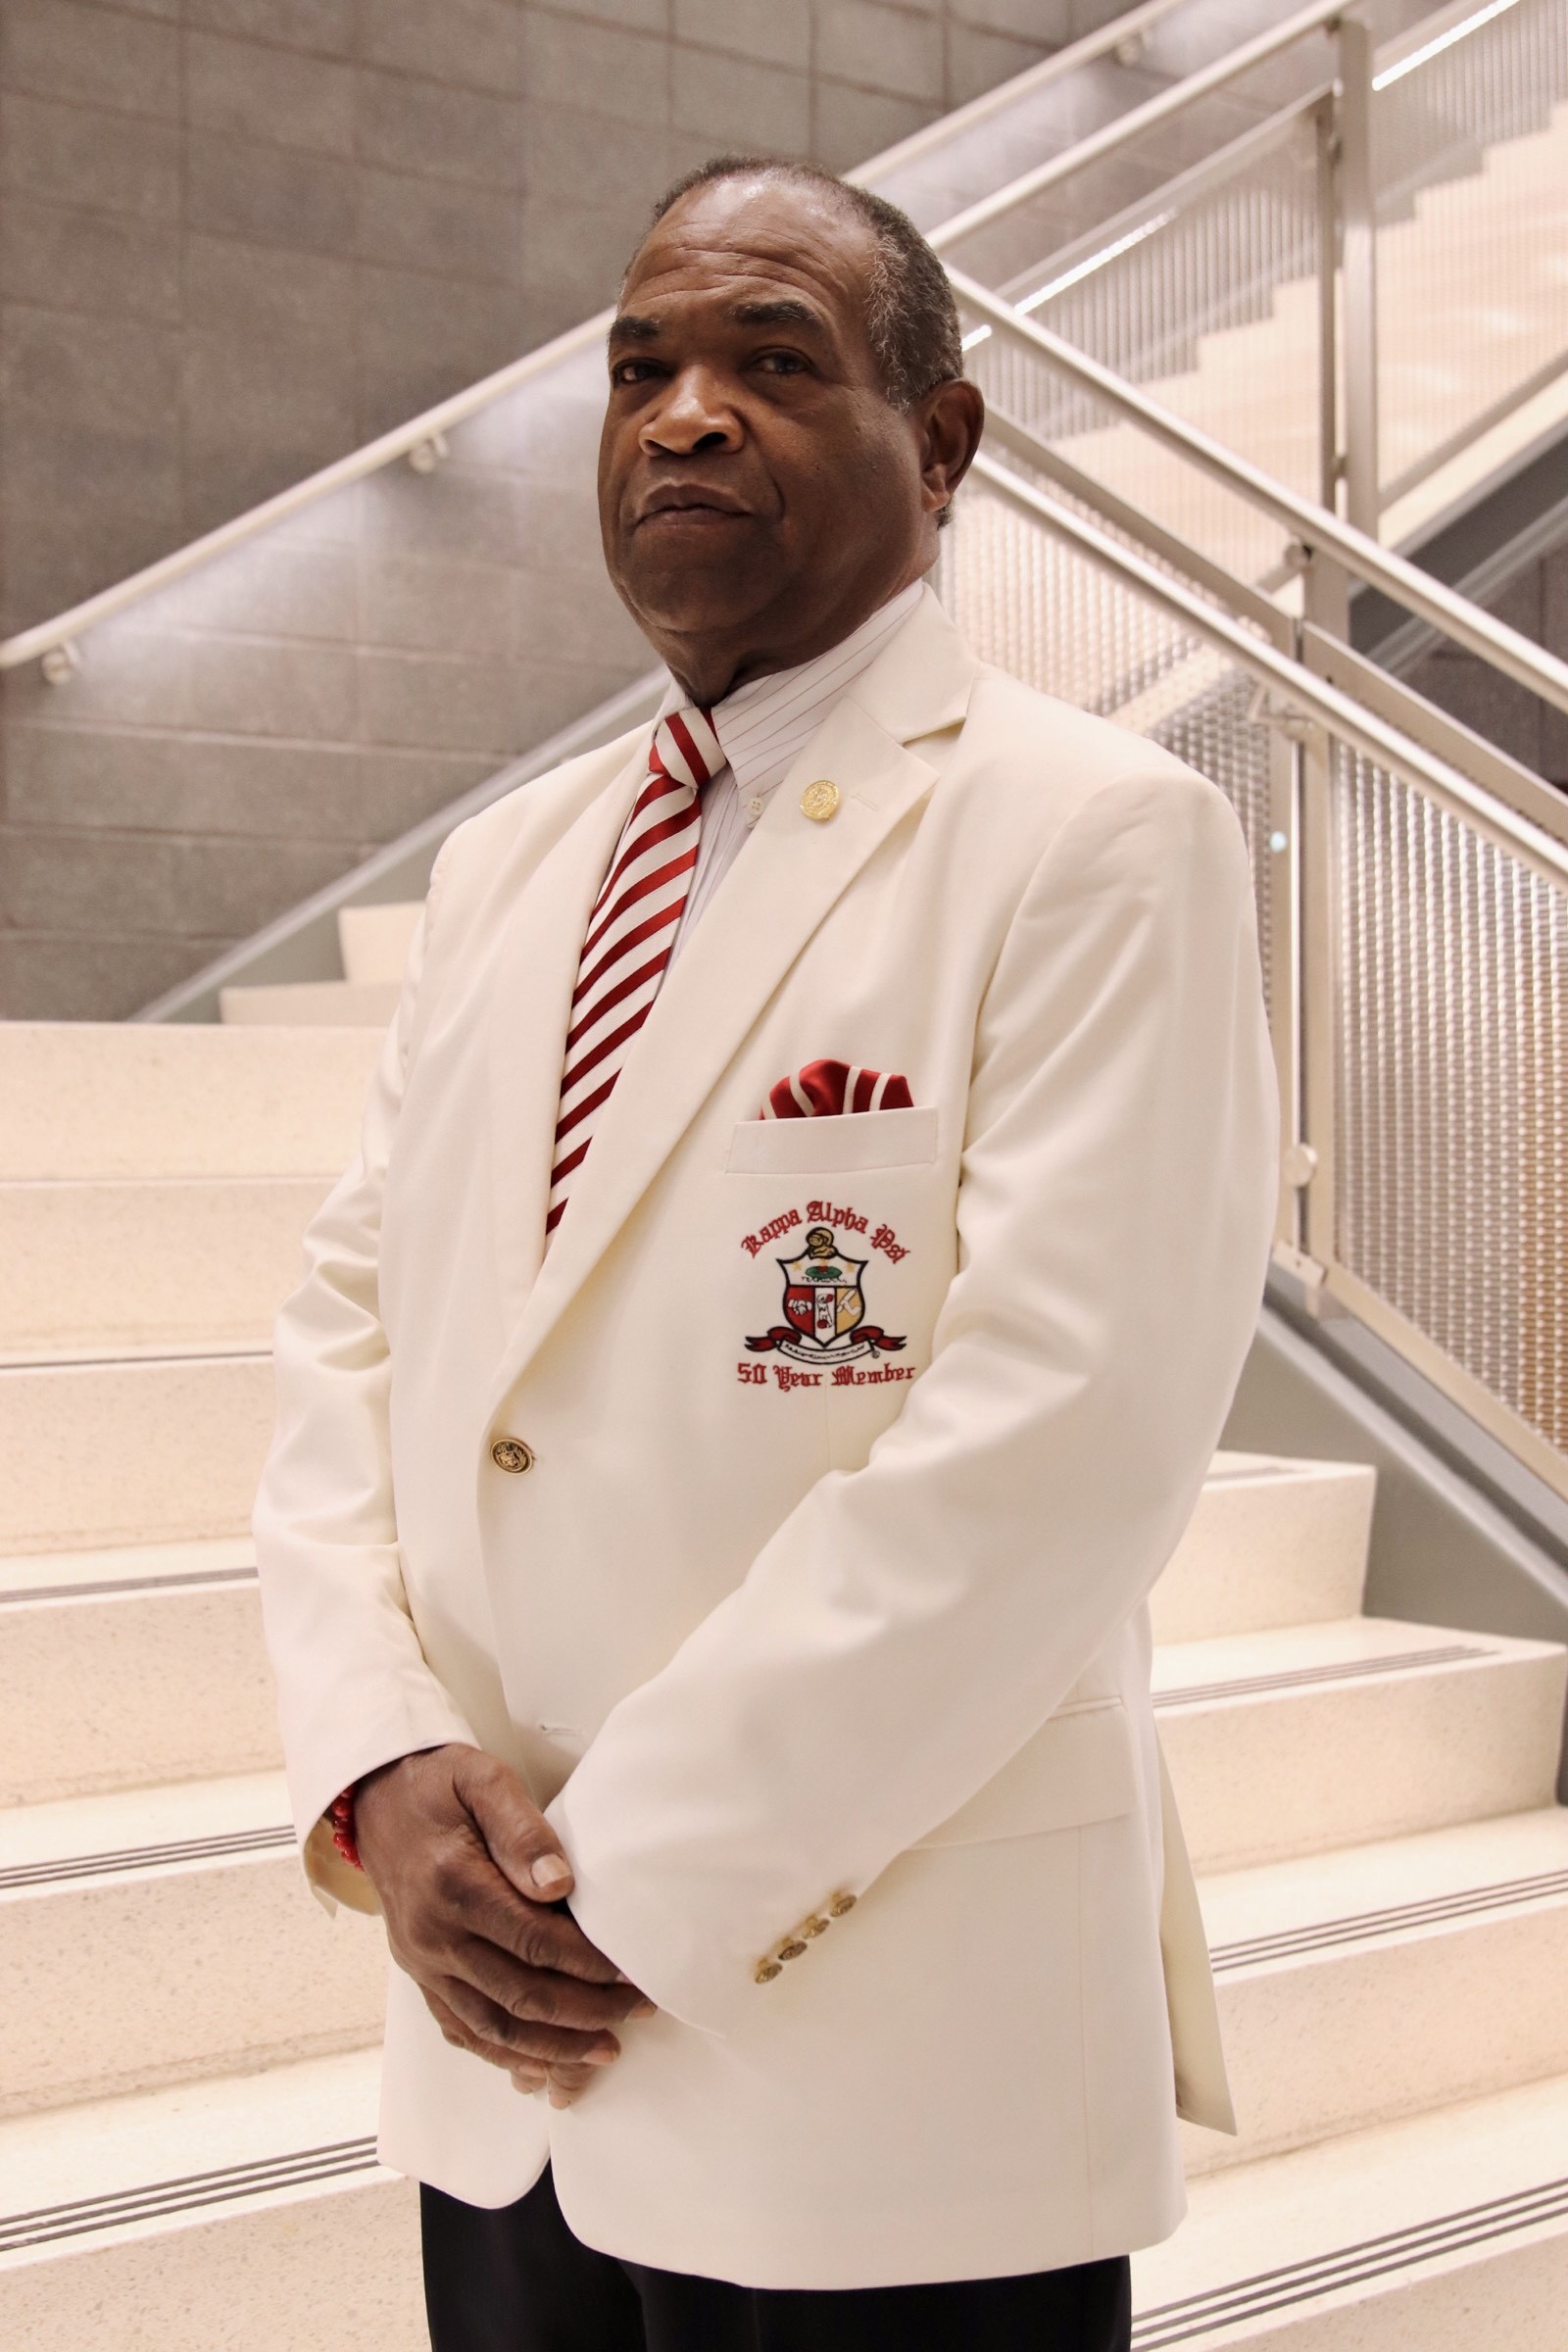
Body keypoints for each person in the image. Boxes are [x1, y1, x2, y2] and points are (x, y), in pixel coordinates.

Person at [255, 156, 1278, 2352]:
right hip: (496, 2065)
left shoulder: (1087, 836)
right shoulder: (511, 864)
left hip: (868, 2050)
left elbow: (1059, 1443)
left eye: (769, 362)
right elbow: (354, 1334)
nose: (683, 416)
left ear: (941, 443)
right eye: (640, 367)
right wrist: (379, 1762)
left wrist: (616, 1881)